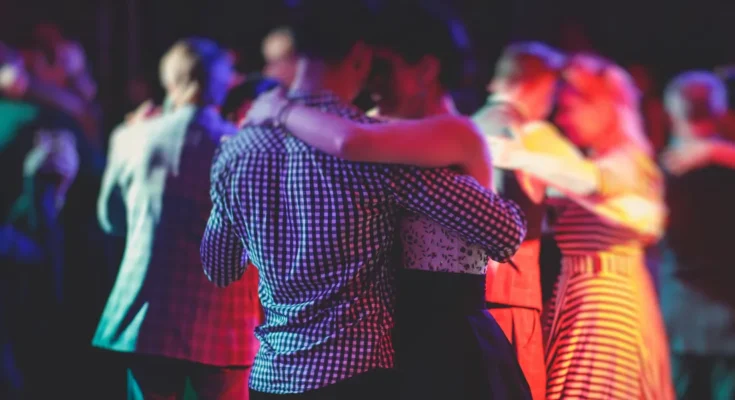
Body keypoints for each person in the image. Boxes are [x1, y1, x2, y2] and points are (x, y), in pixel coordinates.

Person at [200, 1, 527, 398]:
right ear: (359, 55)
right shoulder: (377, 154)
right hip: (354, 372)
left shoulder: (237, 149)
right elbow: (502, 228)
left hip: (272, 375)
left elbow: (218, 268)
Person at [493, 53, 674, 399]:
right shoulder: (593, 162)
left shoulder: (627, 159)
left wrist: (514, 152)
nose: (562, 118)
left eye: (571, 106)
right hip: (579, 298)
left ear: (605, 106)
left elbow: (595, 184)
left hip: (607, 307)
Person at [92, 38, 260, 399]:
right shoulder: (244, 146)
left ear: (169, 81)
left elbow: (111, 220)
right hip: (226, 321)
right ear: (222, 85)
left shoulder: (131, 136)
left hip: (148, 314)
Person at [471, 41, 564, 400]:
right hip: (512, 302)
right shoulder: (528, 137)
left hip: (465, 300)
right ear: (537, 85)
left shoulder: (469, 125)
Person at [659, 71, 735, 400]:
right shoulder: (726, 165)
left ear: (671, 112)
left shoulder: (660, 169)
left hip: (680, 313)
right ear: (720, 112)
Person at [0, 128, 78, 400]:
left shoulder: (71, 222)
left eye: (55, 181)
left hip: (47, 337)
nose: (49, 189)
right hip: (24, 332)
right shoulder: (21, 219)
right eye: (43, 180)